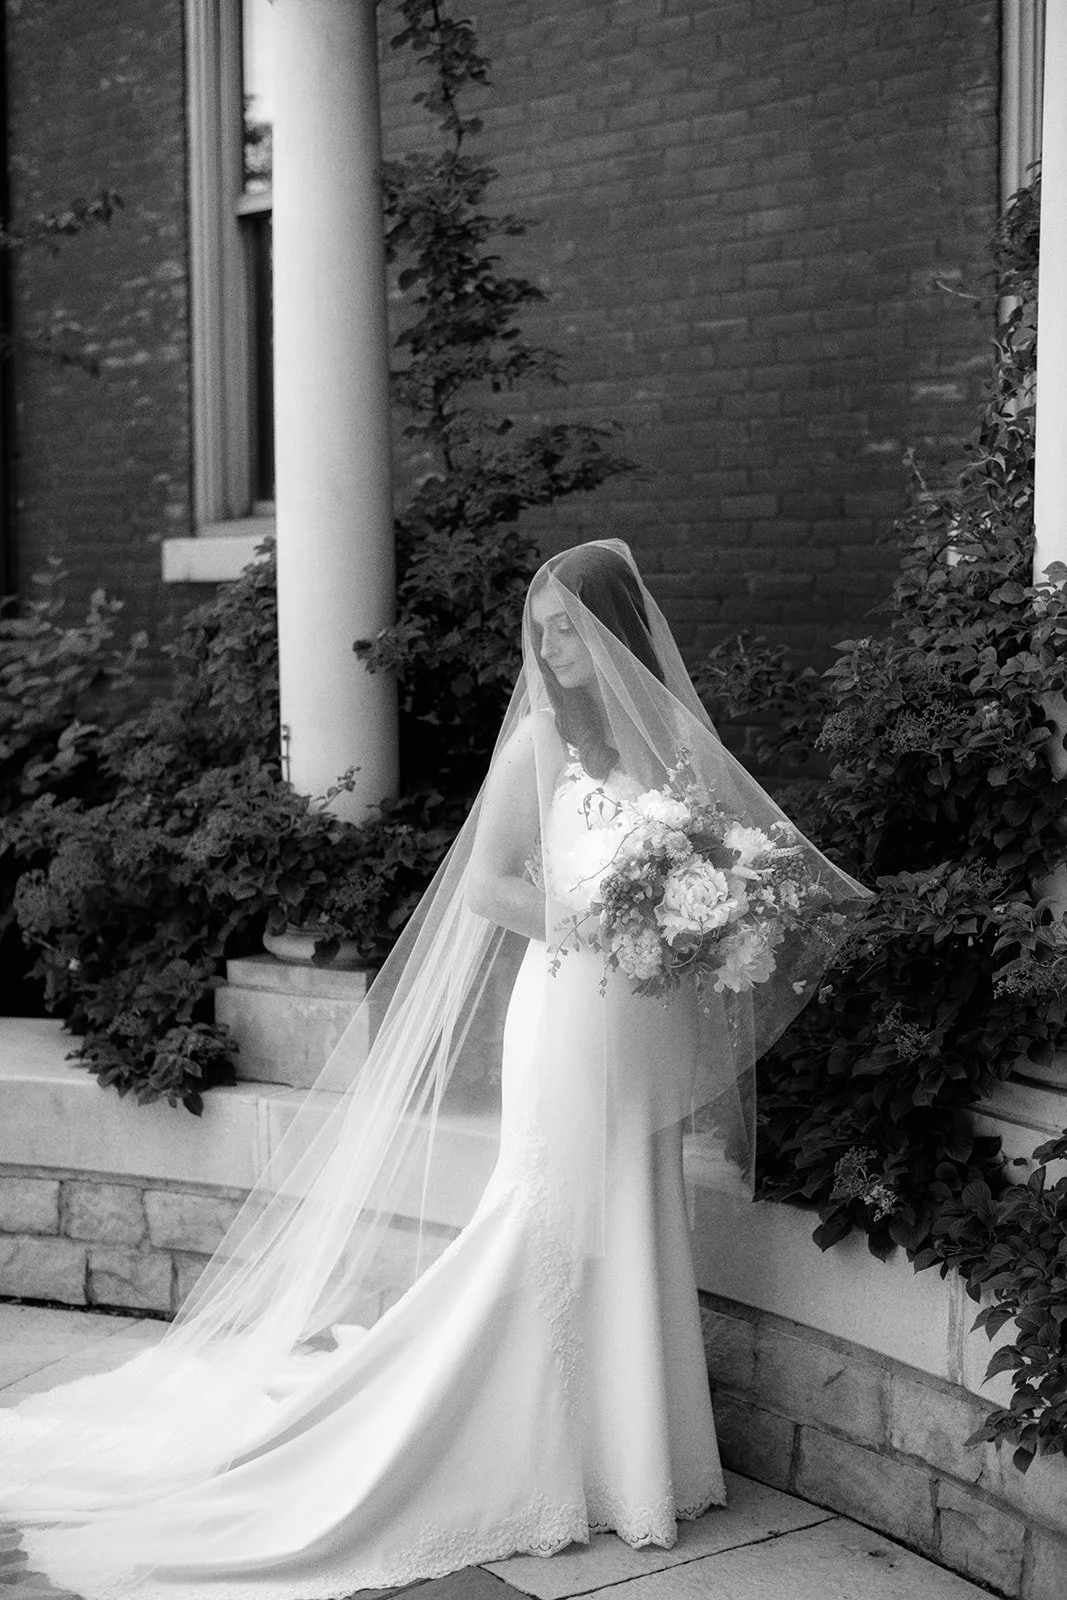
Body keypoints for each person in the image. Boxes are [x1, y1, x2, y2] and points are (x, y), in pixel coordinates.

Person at [0, 540, 869, 1600]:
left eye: (566, 626)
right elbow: (488, 890)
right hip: (565, 1011)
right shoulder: (534, 747)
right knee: (542, 1219)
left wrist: (710, 911)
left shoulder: (676, 747)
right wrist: (600, 912)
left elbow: (735, 872)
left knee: (635, 1217)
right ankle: (488, 1446)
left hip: (639, 1024)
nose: (549, 646)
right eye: (537, 628)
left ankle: (632, 1459)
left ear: (614, 630)